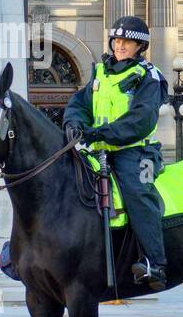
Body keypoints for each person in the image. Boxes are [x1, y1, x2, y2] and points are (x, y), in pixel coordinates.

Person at [61, 16, 169, 292]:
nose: (120, 46)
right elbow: (79, 103)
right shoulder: (100, 73)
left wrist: (99, 134)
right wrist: (74, 123)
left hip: (136, 151)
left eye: (127, 42)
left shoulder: (148, 76)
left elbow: (141, 120)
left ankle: (155, 263)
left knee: (137, 190)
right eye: (117, 40)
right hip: (98, 150)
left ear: (139, 46)